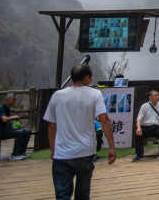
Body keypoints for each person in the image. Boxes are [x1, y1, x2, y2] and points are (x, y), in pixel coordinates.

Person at [44, 64, 116, 200]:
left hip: (62, 154)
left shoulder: (57, 95)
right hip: (85, 152)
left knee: (62, 195)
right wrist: (112, 147)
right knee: (83, 194)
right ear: (87, 78)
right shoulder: (95, 94)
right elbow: (104, 120)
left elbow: (51, 126)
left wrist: (54, 150)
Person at [132, 89, 159, 161]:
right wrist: (138, 128)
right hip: (145, 128)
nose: (157, 97)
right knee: (137, 134)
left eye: (158, 95)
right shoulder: (144, 106)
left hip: (157, 127)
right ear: (150, 97)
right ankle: (139, 155)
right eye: (155, 95)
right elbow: (139, 118)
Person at [0, 93, 32, 160]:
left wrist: (14, 125)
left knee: (27, 131)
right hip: (0, 132)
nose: (14, 101)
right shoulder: (0, 108)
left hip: (6, 130)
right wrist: (14, 117)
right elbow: (4, 119)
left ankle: (21, 152)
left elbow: (7, 122)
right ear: (9, 99)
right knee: (20, 134)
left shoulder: (7, 109)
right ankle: (15, 154)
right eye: (13, 100)